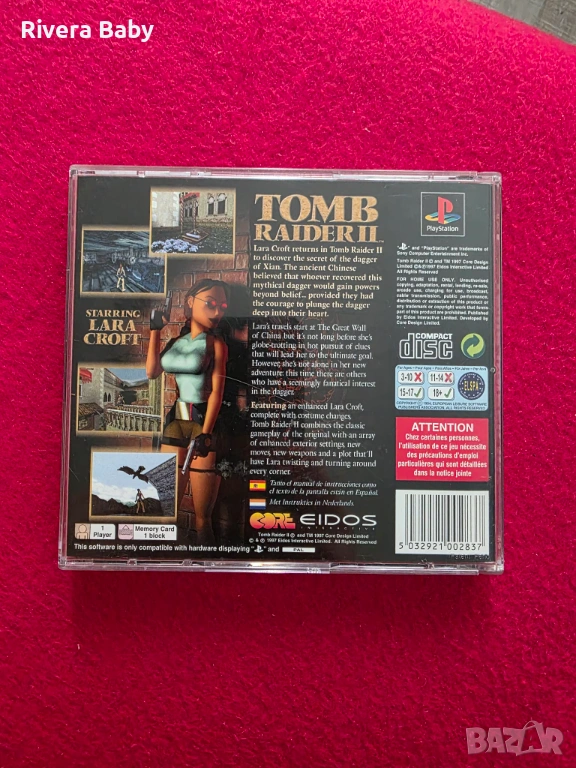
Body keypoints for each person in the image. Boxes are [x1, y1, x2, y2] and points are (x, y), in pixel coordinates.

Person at [146, 278, 229, 544]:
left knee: (202, 517)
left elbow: (217, 392)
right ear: (191, 302)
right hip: (176, 419)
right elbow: (152, 372)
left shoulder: (216, 344)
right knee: (167, 505)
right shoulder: (176, 342)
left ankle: (210, 560)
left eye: (222, 307)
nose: (217, 312)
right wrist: (155, 330)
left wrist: (206, 433)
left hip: (202, 420)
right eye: (211, 304)